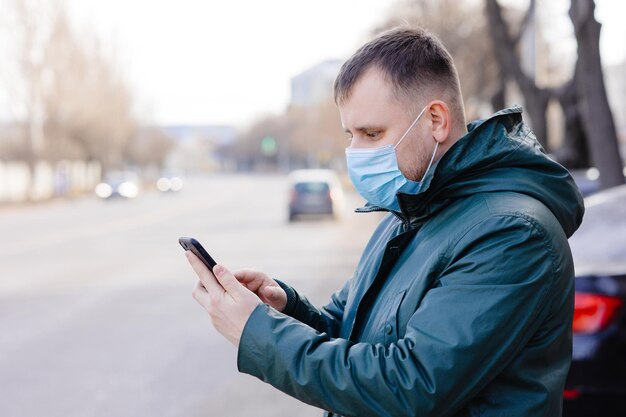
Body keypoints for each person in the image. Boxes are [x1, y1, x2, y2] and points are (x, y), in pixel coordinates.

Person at [183, 27, 584, 417]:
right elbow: (351, 328)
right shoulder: (409, 210)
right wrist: (284, 307)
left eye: (371, 133)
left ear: (436, 121)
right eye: (350, 134)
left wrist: (256, 334)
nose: (355, 152)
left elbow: (411, 386)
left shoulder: (512, 234)